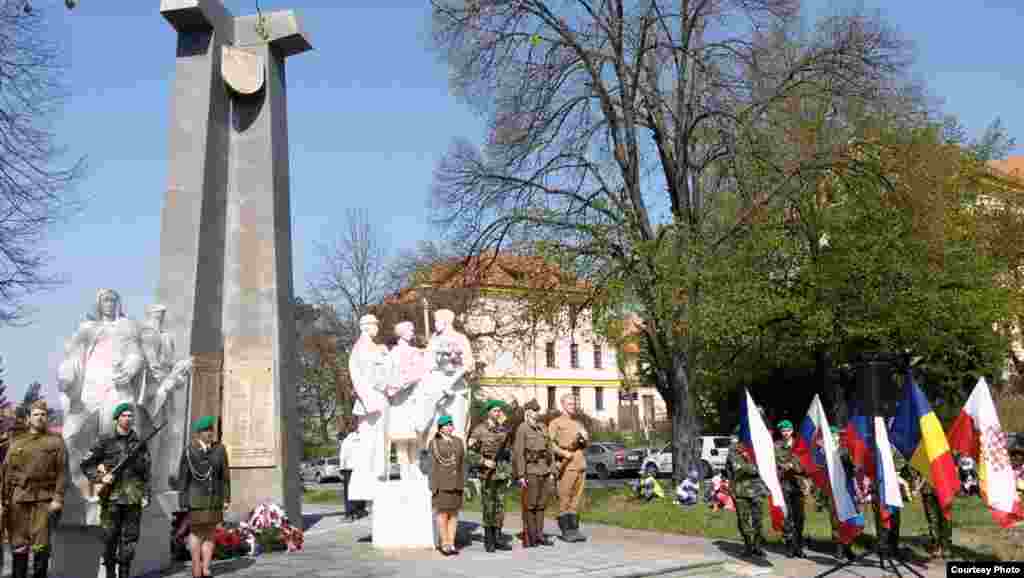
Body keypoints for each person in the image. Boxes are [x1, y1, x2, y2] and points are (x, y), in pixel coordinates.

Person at [80, 403, 152, 578]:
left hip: (133, 499)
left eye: (130, 416)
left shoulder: (139, 442)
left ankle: (125, 574)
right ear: (117, 418)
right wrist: (100, 477)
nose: (128, 418)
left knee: (129, 542)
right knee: (109, 539)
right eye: (124, 415)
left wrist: (146, 494)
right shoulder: (105, 440)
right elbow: (86, 464)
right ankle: (111, 573)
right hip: (111, 498)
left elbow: (147, 471)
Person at [0, 400, 66, 578]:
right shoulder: (16, 442)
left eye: (43, 414)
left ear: (47, 418)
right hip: (18, 500)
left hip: (43, 500)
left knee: (41, 547)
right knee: (18, 546)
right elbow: (5, 473)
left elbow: (62, 472)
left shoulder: (56, 442)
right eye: (36, 414)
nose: (40, 418)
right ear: (29, 418)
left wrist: (58, 498)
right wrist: (3, 501)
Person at [176, 416, 230, 578]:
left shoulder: (220, 449)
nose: (210, 433)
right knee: (197, 532)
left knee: (210, 532)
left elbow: (225, 476)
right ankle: (196, 565)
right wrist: (183, 500)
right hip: (196, 499)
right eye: (206, 430)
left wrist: (226, 498)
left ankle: (206, 567)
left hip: (214, 498)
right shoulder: (189, 450)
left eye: (211, 430)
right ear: (198, 433)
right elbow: (183, 478)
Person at [468, 400, 513, 552]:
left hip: (501, 473)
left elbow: (507, 453)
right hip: (487, 474)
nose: (498, 413)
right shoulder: (479, 430)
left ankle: (498, 537)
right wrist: (484, 461)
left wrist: (509, 473)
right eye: (495, 410)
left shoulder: (503, 430)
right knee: (489, 506)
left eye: (499, 411)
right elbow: (470, 453)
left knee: (500, 506)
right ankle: (489, 539)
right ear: (488, 412)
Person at [512, 399, 555, 548]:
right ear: (527, 413)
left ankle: (539, 534)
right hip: (530, 470)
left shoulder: (543, 427)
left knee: (542, 504)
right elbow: (518, 453)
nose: (536, 414)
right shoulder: (522, 428)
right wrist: (521, 475)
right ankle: (530, 535)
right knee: (530, 505)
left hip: (544, 470)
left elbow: (550, 450)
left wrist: (552, 470)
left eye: (537, 411)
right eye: (534, 411)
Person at [548, 393, 588, 542]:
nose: (573, 406)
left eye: (574, 403)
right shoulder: (555, 423)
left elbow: (584, 445)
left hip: (580, 464)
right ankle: (566, 530)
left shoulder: (578, 424)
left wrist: (584, 438)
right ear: (563, 405)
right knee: (565, 497)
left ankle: (574, 529)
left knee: (576, 499)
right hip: (567, 465)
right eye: (570, 404)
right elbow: (549, 444)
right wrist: (563, 452)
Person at [725, 433, 766, 558]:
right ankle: (748, 545)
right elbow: (735, 470)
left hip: (757, 490)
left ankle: (757, 546)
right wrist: (749, 463)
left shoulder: (758, 449)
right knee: (743, 520)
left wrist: (749, 460)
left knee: (758, 520)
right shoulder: (733, 452)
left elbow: (762, 469)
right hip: (740, 491)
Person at [430, 415, 465, 556]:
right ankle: (444, 543)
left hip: (457, 482)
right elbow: (431, 466)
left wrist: (464, 482)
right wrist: (433, 485)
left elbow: (463, 463)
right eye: (447, 425)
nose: (450, 427)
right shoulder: (434, 443)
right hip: (442, 483)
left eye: (451, 424)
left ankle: (451, 543)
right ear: (440, 428)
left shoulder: (458, 441)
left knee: (454, 514)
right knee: (443, 513)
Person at [774, 420, 807, 558]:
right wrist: (783, 466)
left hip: (798, 485)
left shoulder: (799, 445)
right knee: (787, 517)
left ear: (792, 430)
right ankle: (789, 546)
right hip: (784, 485)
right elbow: (774, 462)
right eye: (783, 431)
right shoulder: (776, 446)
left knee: (799, 517)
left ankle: (799, 546)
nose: (785, 433)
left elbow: (806, 465)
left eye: (788, 430)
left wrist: (794, 467)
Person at [826, 425, 857, 561]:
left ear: (839, 437)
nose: (834, 437)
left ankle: (848, 547)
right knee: (835, 519)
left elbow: (853, 467)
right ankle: (838, 547)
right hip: (832, 490)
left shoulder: (845, 450)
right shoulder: (825, 452)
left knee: (848, 518)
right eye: (831, 435)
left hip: (846, 489)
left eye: (836, 435)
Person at [338, 429, 362, 520]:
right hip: (360, 468)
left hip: (348, 469)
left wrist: (341, 470)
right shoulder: (360, 438)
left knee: (348, 492)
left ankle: (349, 514)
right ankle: (359, 512)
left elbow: (343, 456)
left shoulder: (346, 441)